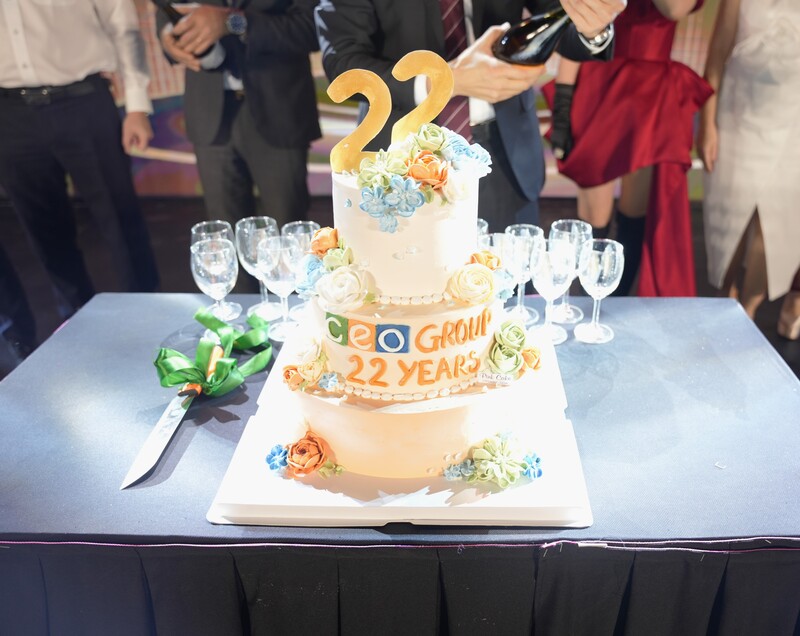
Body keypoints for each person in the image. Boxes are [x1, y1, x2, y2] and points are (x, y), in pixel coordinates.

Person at [315, 0, 626, 233]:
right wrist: (447, 81)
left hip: (503, 148)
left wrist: (593, 27)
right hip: (400, 153)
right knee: (406, 287)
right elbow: (343, 62)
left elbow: (558, 16)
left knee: (509, 286)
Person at [0, 0, 160, 332]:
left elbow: (123, 23)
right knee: (44, 231)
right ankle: (77, 327)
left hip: (83, 99)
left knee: (121, 221)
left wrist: (136, 106)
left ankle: (150, 318)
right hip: (9, 113)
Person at [543, 0, 711, 296]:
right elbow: (580, 30)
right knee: (594, 220)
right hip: (599, 85)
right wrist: (563, 108)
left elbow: (674, 9)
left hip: (650, 97)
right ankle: (585, 302)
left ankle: (611, 303)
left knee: (633, 219)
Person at [156, 0, 321, 229]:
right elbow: (166, 10)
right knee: (226, 236)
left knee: (289, 230)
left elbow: (312, 27)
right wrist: (168, 37)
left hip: (279, 108)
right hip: (209, 112)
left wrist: (233, 22)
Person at [696, 0, 800, 339]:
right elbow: (717, 53)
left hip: (793, 124)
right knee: (730, 222)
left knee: (776, 228)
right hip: (737, 116)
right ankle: (722, 301)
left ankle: (749, 314)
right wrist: (707, 123)